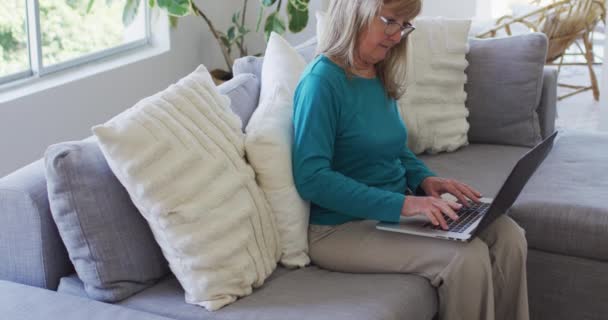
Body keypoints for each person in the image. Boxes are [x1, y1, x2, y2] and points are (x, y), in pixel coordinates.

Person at [291, 1, 529, 320]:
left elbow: (393, 146)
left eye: (404, 25)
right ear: (354, 13)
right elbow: (312, 177)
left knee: (508, 234)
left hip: (391, 212)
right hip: (339, 228)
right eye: (390, 21)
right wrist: (406, 206)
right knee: (465, 258)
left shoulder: (376, 70)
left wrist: (424, 180)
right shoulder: (322, 82)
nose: (397, 35)